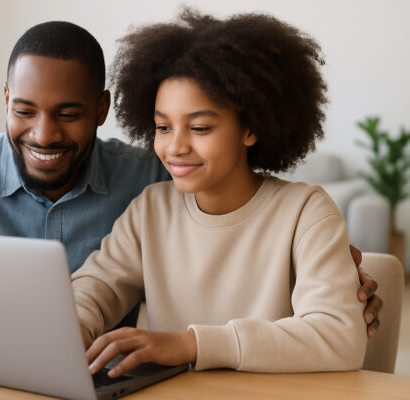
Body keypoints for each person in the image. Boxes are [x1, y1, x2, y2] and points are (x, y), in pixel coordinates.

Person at [0, 20, 381, 343]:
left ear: (103, 109)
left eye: (68, 113)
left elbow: (244, 215)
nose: (43, 133)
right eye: (24, 110)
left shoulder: (155, 181)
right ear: (5, 99)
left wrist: (328, 269)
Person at [73, 9, 370, 377]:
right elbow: (97, 285)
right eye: (163, 127)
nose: (175, 146)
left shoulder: (306, 211)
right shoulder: (151, 209)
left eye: (199, 127)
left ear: (251, 128)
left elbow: (339, 338)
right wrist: (77, 323)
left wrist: (191, 344)